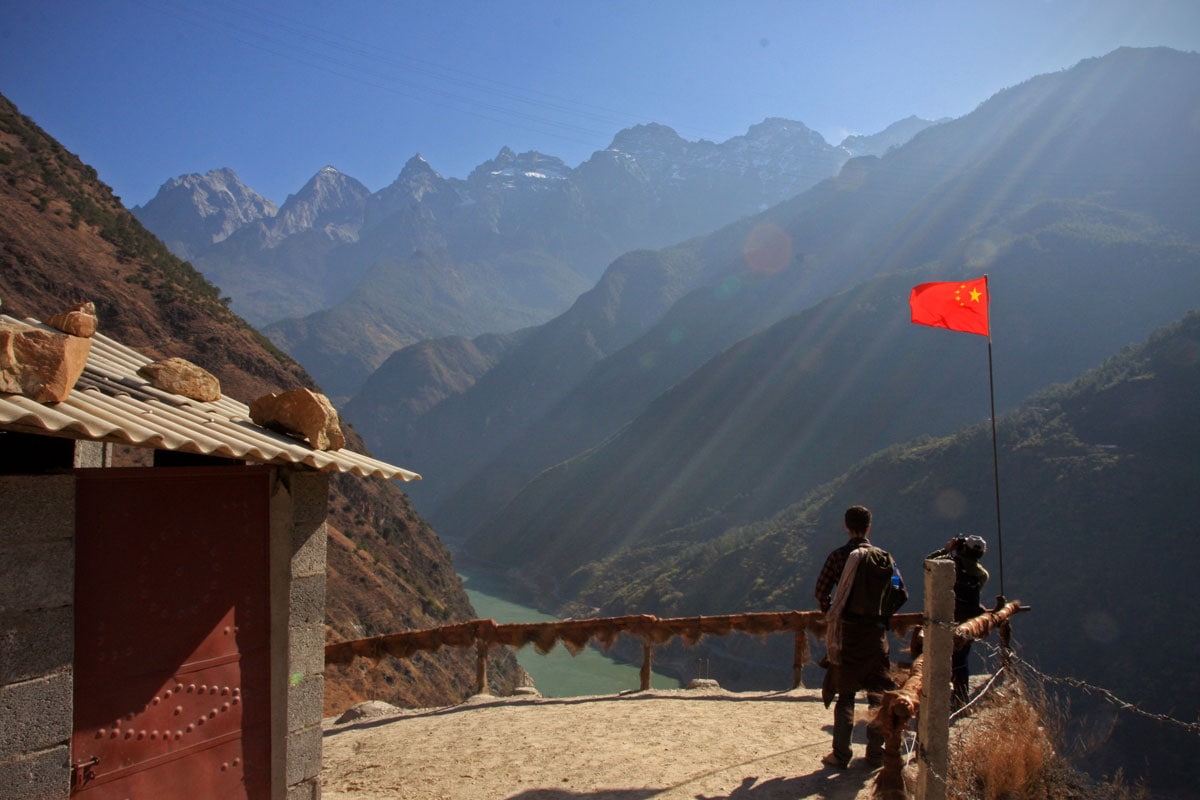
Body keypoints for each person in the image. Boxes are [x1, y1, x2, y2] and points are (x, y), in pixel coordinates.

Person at [814, 505, 908, 770]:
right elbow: (901, 592)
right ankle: (876, 753)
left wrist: (834, 612)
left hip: (847, 636)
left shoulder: (838, 557)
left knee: (845, 695)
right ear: (869, 527)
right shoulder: (885, 559)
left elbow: (821, 591)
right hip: (876, 637)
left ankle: (841, 755)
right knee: (878, 695)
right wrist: (882, 616)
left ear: (846, 526)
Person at [926, 534, 989, 709]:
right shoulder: (982, 575)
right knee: (961, 659)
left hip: (943, 618)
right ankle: (961, 699)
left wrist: (947, 550)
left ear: (962, 548)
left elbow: (928, 563)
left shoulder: (950, 565)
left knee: (937, 659)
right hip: (966, 622)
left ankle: (935, 699)